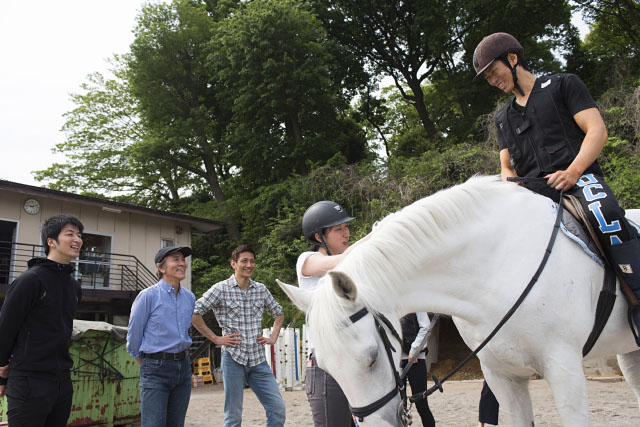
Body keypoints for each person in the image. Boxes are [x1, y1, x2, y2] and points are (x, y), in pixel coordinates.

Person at [473, 32, 640, 335]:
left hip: (579, 181)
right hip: (534, 195)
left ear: (512, 59)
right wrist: (512, 187)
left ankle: (638, 299)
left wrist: (573, 172)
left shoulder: (564, 84)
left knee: (606, 214)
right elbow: (507, 166)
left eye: (492, 72)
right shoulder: (503, 118)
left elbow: (597, 131)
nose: (492, 81)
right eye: (486, 78)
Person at [0, 214, 84, 426]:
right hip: (29, 380)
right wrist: (1, 373)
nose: (77, 239)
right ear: (51, 241)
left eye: (79, 234)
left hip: (62, 381)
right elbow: (6, 327)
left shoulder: (73, 286)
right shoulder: (31, 280)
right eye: (70, 234)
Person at [192, 245, 286, 427]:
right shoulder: (220, 289)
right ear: (233, 264)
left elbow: (279, 314)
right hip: (233, 359)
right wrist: (216, 339)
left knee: (277, 408)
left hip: (258, 360)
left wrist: (273, 337)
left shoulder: (261, 289)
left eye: (252, 261)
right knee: (233, 416)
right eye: (244, 261)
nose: (249, 265)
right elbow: (195, 313)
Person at [297, 200, 370, 427]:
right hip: (326, 367)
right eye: (339, 229)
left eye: (346, 227)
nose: (346, 233)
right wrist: (377, 235)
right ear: (319, 237)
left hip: (357, 361)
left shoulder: (350, 266)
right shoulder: (308, 261)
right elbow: (338, 260)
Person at [126, 245, 196, 427]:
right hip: (155, 367)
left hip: (183, 367)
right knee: (153, 424)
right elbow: (134, 335)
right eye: (176, 259)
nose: (182, 263)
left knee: (176, 423)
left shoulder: (189, 298)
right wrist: (146, 363)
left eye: (183, 259)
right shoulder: (148, 296)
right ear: (161, 268)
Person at [399, 312, 436, 427]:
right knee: (399, 406)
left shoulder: (414, 302)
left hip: (416, 359)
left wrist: (414, 349)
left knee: (421, 404)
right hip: (396, 362)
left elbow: (425, 326)